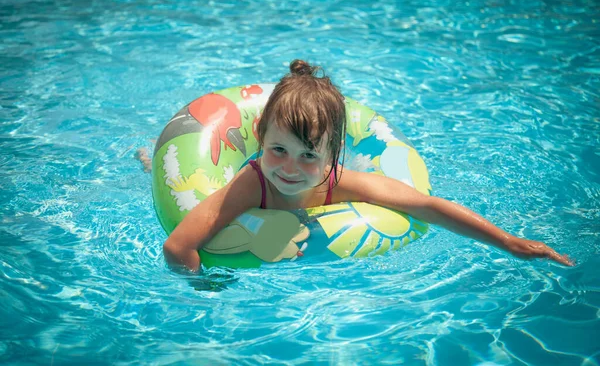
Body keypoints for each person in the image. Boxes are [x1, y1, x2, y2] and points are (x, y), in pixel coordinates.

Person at [160, 60, 573, 271]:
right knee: (156, 168)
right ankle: (149, 162)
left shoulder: (341, 184)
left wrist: (510, 243)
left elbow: (427, 206)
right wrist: (206, 293)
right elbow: (177, 245)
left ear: (332, 155)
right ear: (260, 138)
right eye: (278, 150)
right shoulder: (251, 185)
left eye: (308, 156)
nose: (288, 168)